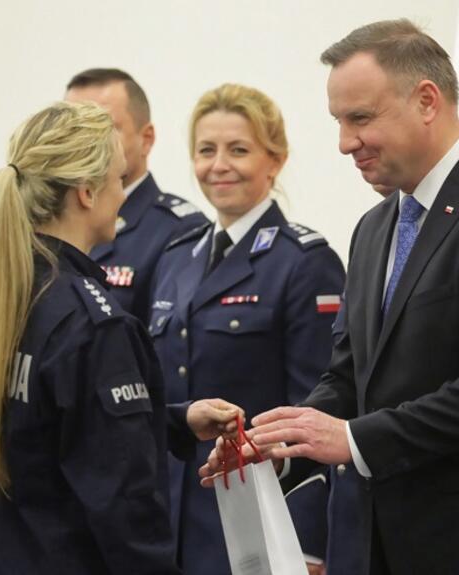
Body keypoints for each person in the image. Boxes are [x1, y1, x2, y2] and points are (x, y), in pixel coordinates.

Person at [202, 20, 459, 575]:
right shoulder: (374, 227)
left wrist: (353, 438)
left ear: (427, 101)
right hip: (382, 547)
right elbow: (348, 376)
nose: (345, 143)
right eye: (339, 122)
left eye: (360, 118)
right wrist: (279, 440)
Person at [0, 101, 241, 575]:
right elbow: (125, 505)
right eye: (118, 179)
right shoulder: (94, 324)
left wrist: (173, 421)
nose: (122, 195)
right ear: (86, 192)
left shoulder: (3, 298)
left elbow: (53, 426)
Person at [150, 83, 345, 574]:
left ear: (274, 160)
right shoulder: (176, 258)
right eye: (206, 150)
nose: (219, 165)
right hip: (175, 525)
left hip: (262, 525)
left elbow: (319, 407)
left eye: (239, 150)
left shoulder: (303, 263)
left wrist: (308, 545)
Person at [65, 68, 208, 319]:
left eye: (105, 128)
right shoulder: (53, 220)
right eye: (73, 130)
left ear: (146, 139)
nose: (86, 143)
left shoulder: (181, 231)